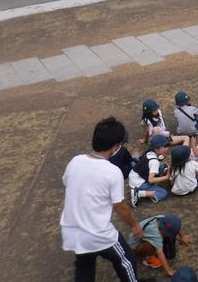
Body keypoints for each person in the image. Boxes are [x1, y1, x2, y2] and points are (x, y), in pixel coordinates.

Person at [60, 117, 142, 282]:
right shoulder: (112, 172)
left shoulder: (75, 161)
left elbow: (67, 183)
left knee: (84, 268)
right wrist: (134, 225)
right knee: (126, 261)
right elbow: (120, 207)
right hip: (99, 234)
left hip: (73, 232)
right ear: (116, 147)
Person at [129, 134, 171, 206]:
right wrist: (166, 177)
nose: (167, 148)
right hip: (139, 183)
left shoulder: (150, 152)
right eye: (165, 146)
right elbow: (150, 180)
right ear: (157, 148)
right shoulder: (154, 162)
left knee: (161, 166)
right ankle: (139, 193)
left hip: (134, 175)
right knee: (163, 193)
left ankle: (146, 189)